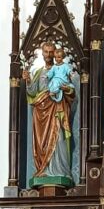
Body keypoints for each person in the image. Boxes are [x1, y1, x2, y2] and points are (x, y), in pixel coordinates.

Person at [23, 41, 74, 190]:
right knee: (42, 142)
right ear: (42, 53)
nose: (49, 55)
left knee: (59, 139)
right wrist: (27, 79)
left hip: (57, 109)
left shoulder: (62, 70)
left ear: (56, 53)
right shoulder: (39, 72)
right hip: (41, 112)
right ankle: (43, 170)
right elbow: (32, 92)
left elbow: (71, 90)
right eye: (46, 52)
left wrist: (64, 88)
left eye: (51, 52)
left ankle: (60, 171)